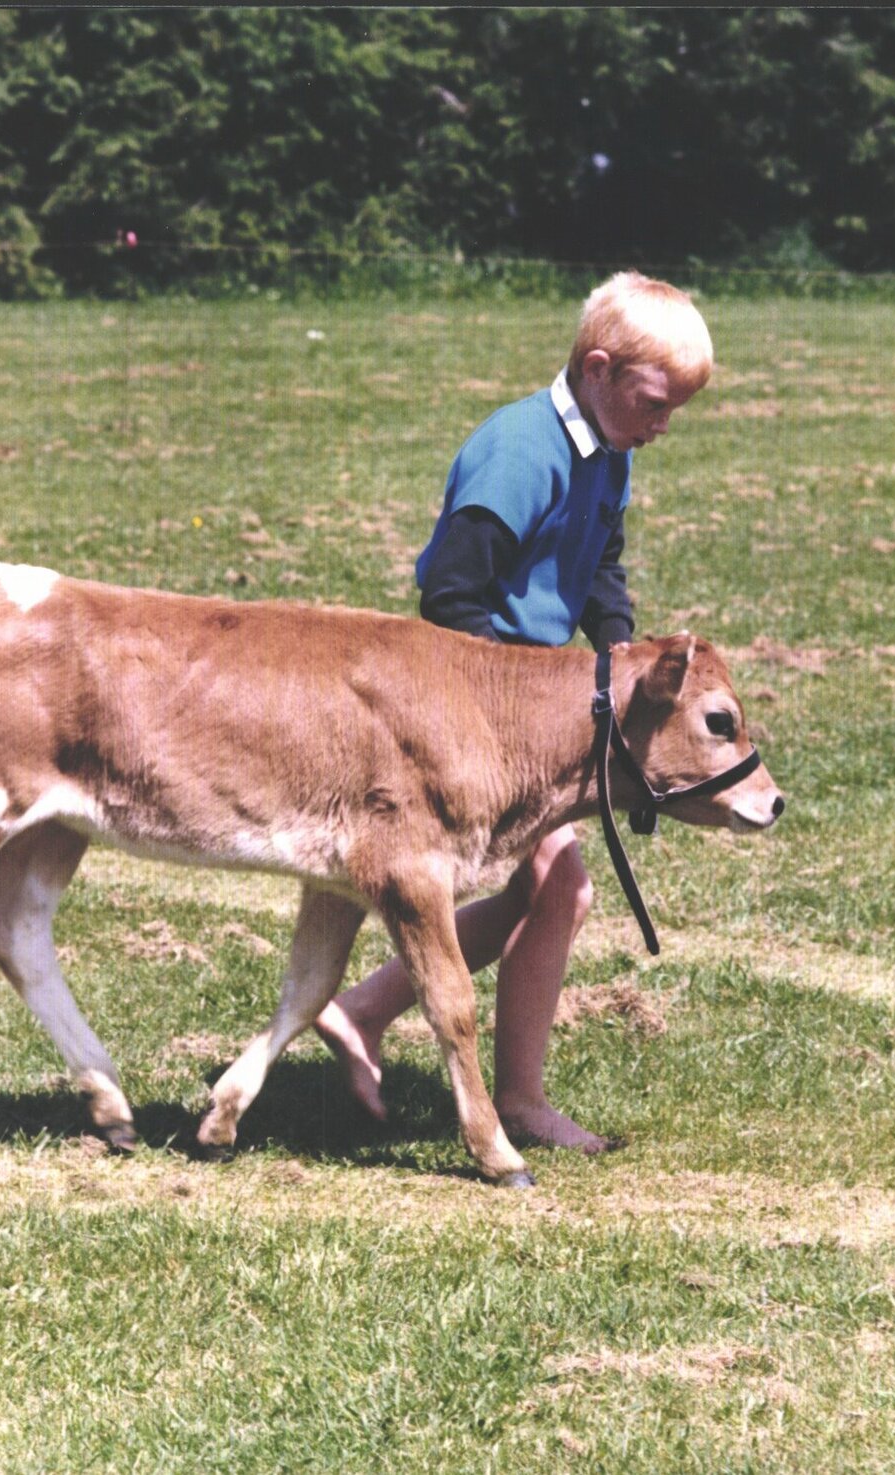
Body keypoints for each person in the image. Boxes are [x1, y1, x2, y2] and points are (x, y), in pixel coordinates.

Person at [315, 270, 713, 1152]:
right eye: (655, 403)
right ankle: (513, 1096)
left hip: (540, 705)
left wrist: (619, 652)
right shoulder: (522, 449)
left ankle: (363, 1010)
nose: (662, 426)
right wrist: (499, 708)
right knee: (560, 889)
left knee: (548, 891)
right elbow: (451, 589)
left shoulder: (609, 452)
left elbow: (598, 561)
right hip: (485, 710)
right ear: (600, 368)